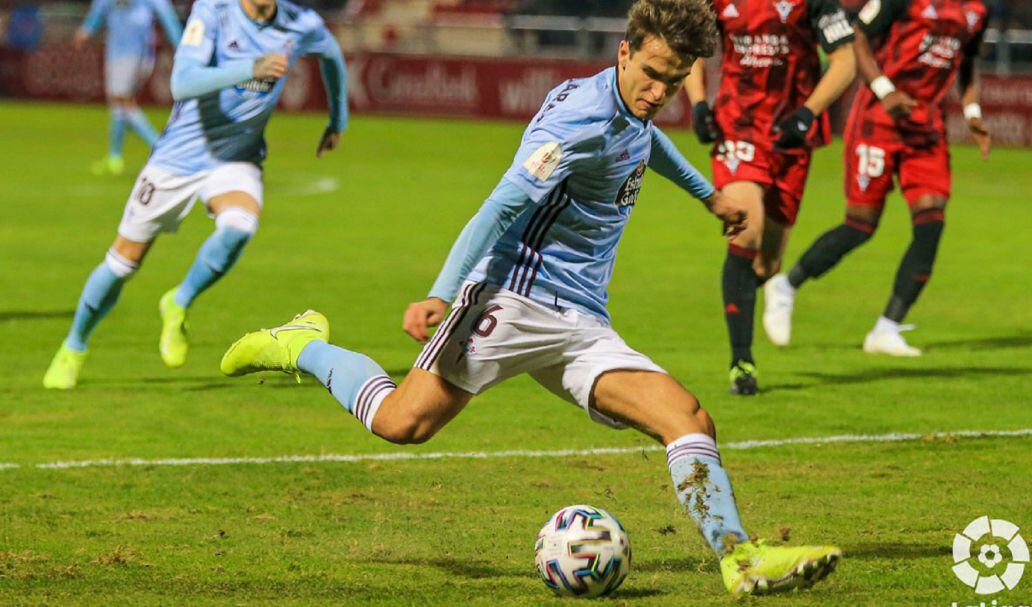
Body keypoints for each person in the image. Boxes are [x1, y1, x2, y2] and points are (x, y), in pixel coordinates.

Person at [220, 0, 841, 596]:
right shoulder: (575, 120)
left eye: (674, 82)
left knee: (688, 419)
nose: (658, 93)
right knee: (401, 423)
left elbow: (646, 142)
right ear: (624, 53)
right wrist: (441, 293)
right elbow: (501, 205)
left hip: (581, 322)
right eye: (651, 74)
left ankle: (740, 558)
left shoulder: (632, 109)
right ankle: (303, 347)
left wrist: (708, 196)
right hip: (511, 301)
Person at [43, 0, 349, 389]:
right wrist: (250, 68)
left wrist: (338, 118)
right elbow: (182, 81)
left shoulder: (298, 22)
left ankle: (179, 300)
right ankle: (74, 346)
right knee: (123, 263)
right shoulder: (214, 11)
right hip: (179, 158)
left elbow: (332, 54)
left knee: (240, 224)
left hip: (236, 158)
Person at [763, 0, 990, 356]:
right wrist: (885, 90)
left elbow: (970, 59)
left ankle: (886, 329)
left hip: (925, 129)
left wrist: (972, 111)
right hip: (877, 123)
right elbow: (858, 37)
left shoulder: (977, 11)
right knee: (860, 226)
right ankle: (786, 286)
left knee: (931, 224)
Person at [684, 0, 857, 395]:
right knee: (746, 228)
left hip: (790, 137)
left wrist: (808, 113)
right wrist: (697, 103)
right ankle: (741, 361)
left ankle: (761, 290)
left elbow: (846, 60)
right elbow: (692, 45)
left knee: (767, 262)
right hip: (739, 130)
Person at [74, 0, 184, 175]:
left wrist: (182, 48)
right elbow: (166, 15)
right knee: (119, 104)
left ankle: (162, 148)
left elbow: (165, 15)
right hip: (131, 54)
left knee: (122, 102)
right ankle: (114, 158)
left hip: (128, 53)